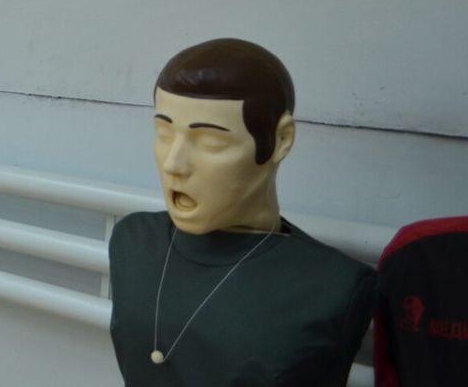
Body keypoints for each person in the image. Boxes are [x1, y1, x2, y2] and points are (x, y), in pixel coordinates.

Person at [109, 38, 376, 386]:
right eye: (164, 132)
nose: (174, 163)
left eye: (211, 141)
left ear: (280, 140)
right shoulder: (134, 241)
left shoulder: (333, 285)